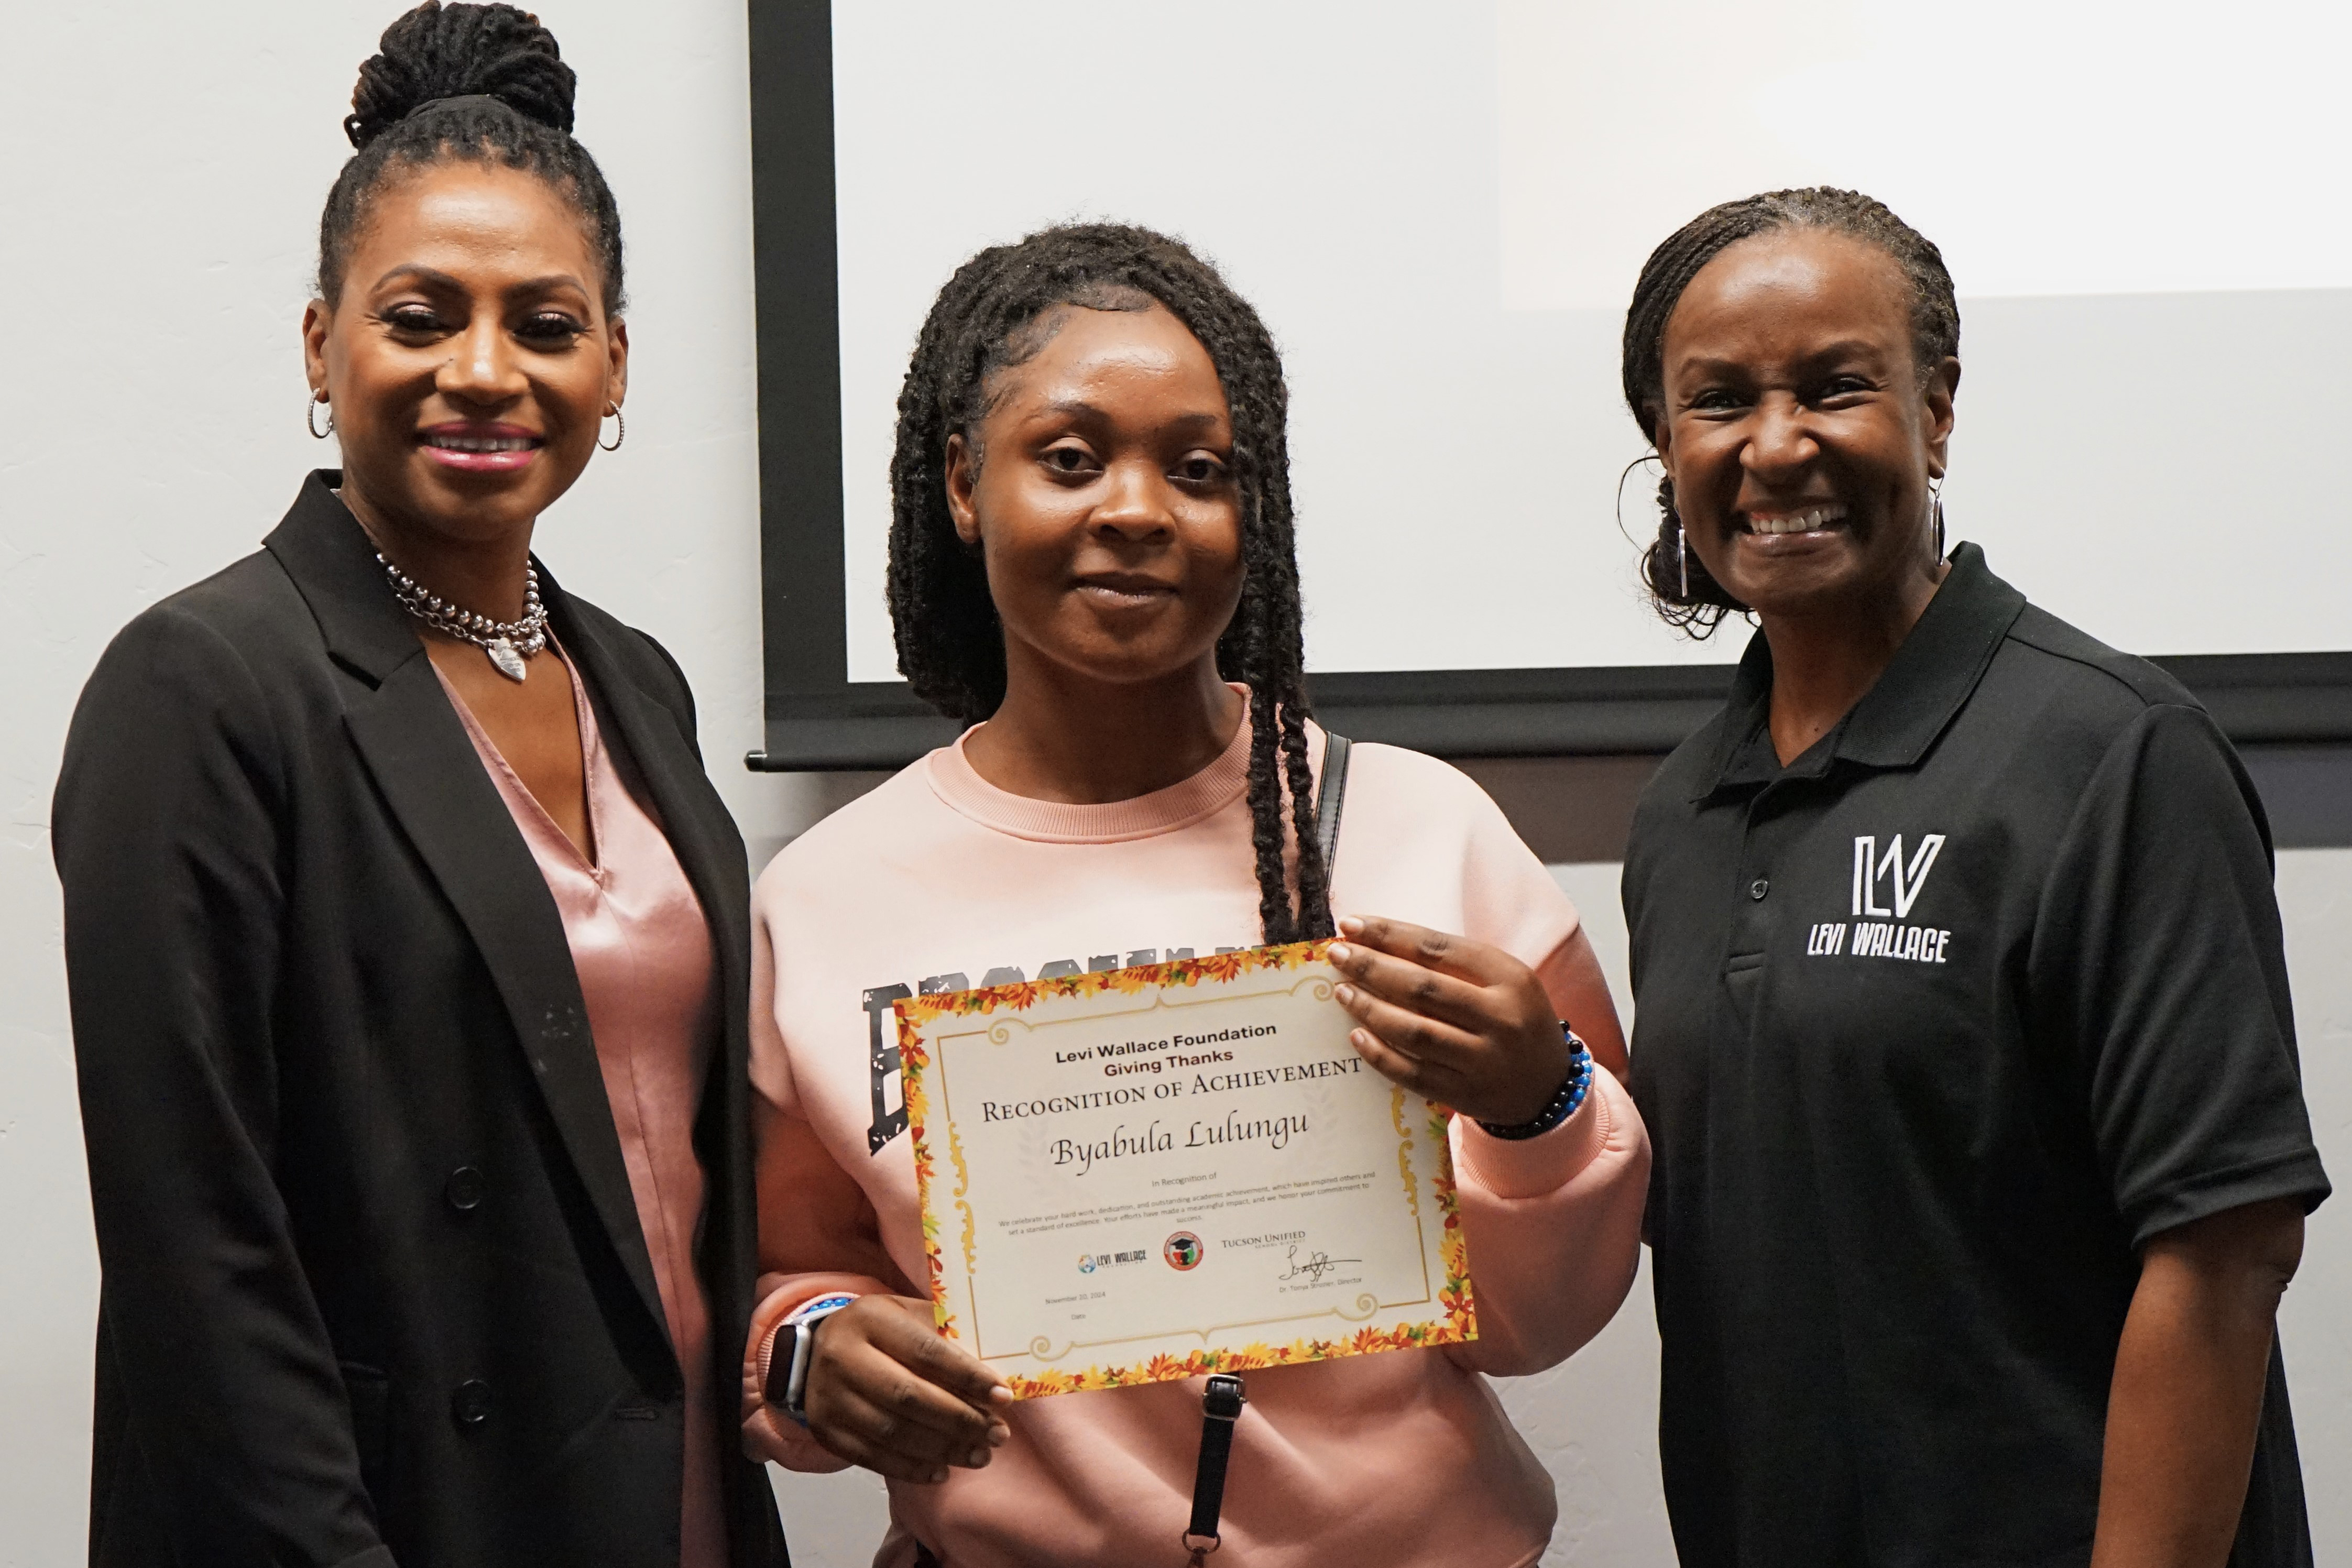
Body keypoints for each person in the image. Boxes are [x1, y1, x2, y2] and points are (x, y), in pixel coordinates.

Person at [736, 223, 1650, 1567]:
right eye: (1068, 457)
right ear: (961, 484)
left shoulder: (1424, 833)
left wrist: (1541, 1101)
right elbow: (794, 1287)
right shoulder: (825, 896)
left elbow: (1539, 1325)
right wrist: (807, 1350)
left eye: (1200, 470)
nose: (1137, 508)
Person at [52, 5, 785, 1563]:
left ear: (615, 361)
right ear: (322, 345)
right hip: (400, 1524)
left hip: (672, 1508)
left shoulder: (635, 680)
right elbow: (203, 1261)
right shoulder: (203, 684)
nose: (483, 372)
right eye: (419, 314)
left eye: (544, 322)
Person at [1615, 187, 2332, 1567]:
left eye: (1836, 386)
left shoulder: (2114, 756)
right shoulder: (1677, 816)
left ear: (1935, 411)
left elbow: (2226, 1251)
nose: (1778, 444)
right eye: (1719, 402)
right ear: (1666, 443)